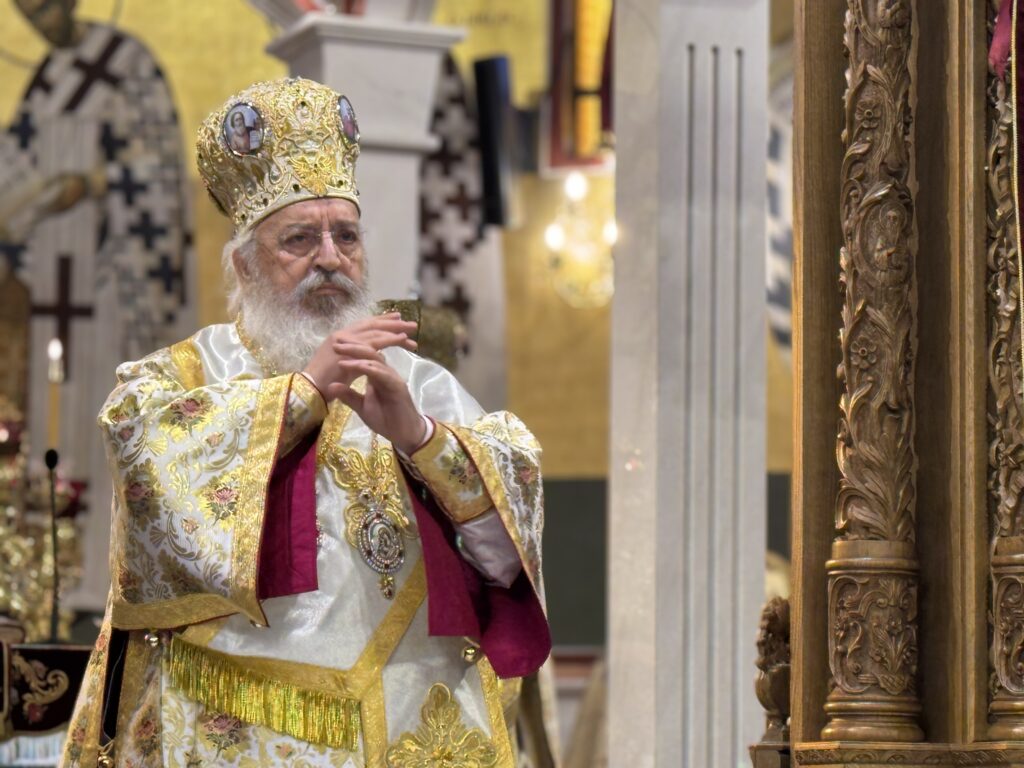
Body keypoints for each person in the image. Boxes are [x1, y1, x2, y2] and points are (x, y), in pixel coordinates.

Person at [60, 78, 550, 768]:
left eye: (345, 235)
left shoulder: (422, 385)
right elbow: (150, 489)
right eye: (298, 239)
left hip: (408, 717)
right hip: (238, 720)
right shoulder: (185, 377)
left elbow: (506, 559)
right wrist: (302, 393)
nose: (329, 257)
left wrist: (422, 440)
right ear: (244, 265)